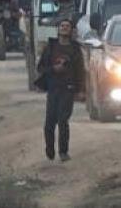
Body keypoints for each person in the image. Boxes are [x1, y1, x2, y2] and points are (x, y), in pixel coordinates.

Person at [37, 18, 84, 162]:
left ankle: (63, 151)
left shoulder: (75, 49)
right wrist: (54, 69)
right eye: (62, 26)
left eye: (67, 26)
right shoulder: (51, 47)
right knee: (50, 121)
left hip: (68, 89)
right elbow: (40, 68)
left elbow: (80, 71)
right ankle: (50, 149)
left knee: (63, 120)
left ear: (71, 30)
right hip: (53, 88)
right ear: (58, 29)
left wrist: (81, 90)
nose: (64, 28)